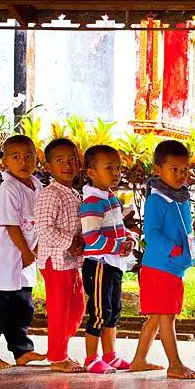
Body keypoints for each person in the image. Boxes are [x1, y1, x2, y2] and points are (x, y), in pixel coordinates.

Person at [0, 135, 46, 368]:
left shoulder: (37, 186)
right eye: (15, 157)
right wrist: (27, 252)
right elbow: (12, 225)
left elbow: (40, 221)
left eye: (28, 156)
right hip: (7, 258)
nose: (23, 162)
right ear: (3, 163)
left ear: (37, 159)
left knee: (22, 307)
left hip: (26, 258)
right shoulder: (8, 189)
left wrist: (32, 251)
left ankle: (21, 350)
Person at [129, 140, 195, 379]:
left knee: (158, 317)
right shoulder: (157, 200)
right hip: (159, 269)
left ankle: (139, 360)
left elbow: (186, 230)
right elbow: (152, 234)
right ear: (158, 170)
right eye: (174, 169)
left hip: (174, 269)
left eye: (185, 169)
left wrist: (189, 253)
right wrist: (175, 250)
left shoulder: (182, 198)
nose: (181, 175)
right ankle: (175, 365)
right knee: (166, 317)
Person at [80, 145, 135, 374]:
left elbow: (116, 226)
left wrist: (128, 238)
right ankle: (91, 358)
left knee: (113, 311)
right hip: (100, 264)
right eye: (109, 168)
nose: (116, 173)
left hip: (112, 263)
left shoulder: (110, 197)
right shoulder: (93, 201)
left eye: (118, 168)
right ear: (91, 172)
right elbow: (91, 237)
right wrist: (118, 246)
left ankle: (110, 355)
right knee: (99, 312)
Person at [35, 138, 85, 373]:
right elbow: (43, 229)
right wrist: (71, 241)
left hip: (71, 262)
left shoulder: (74, 194)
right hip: (54, 261)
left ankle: (59, 349)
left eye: (72, 159)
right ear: (48, 167)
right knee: (60, 310)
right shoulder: (50, 194)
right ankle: (57, 357)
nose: (67, 165)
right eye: (59, 160)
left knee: (76, 309)